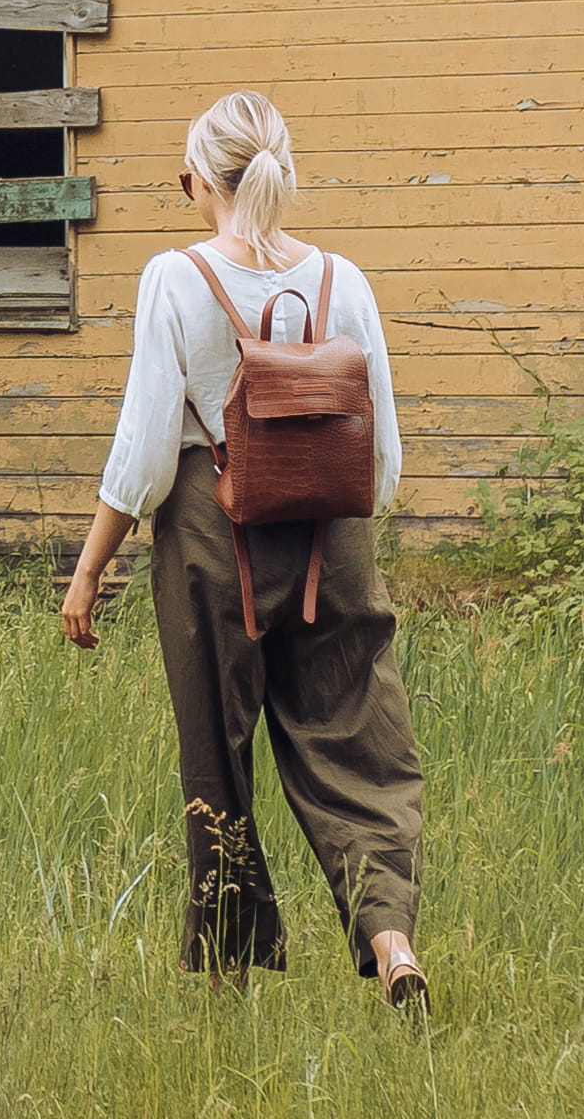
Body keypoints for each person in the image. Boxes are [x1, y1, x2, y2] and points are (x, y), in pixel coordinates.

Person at [58, 90, 426, 1001]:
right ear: (281, 174)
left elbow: (144, 449)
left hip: (212, 535)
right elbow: (383, 465)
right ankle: (391, 942)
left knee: (217, 751)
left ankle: (228, 972)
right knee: (357, 741)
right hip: (331, 543)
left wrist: (91, 565)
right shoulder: (345, 282)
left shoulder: (176, 278)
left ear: (198, 182)